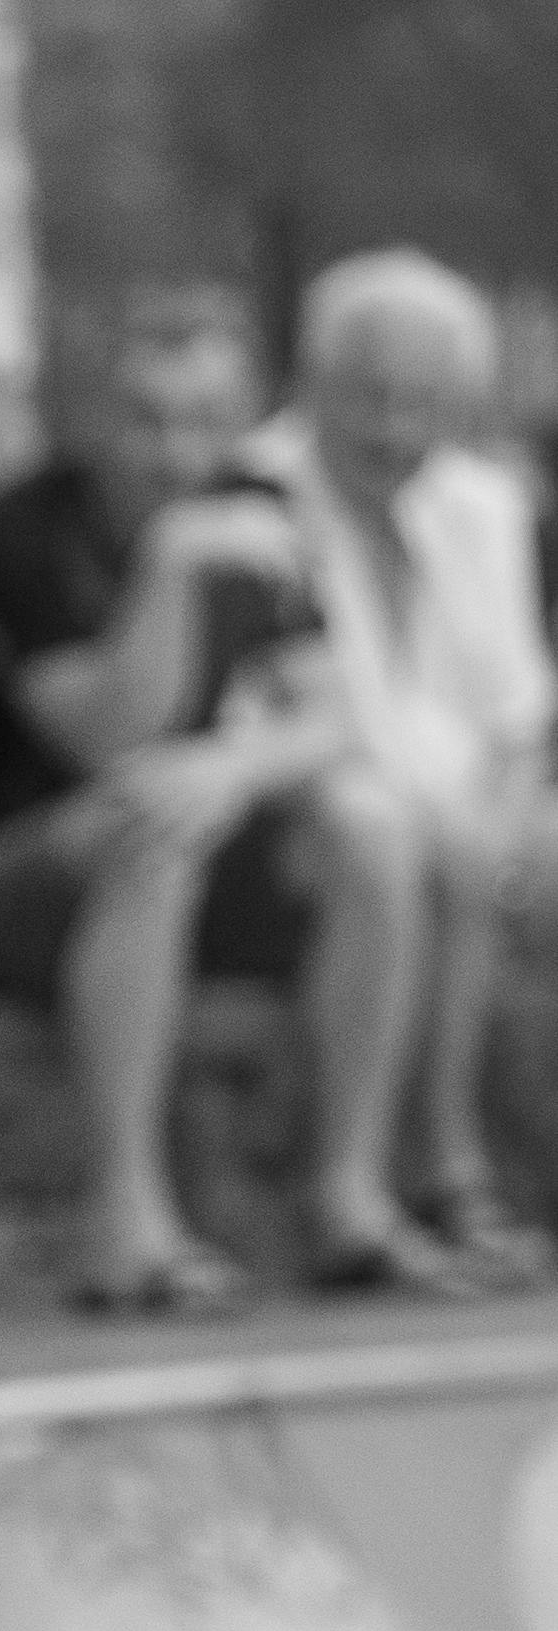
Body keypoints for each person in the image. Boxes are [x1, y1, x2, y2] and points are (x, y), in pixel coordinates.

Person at [0, 283, 402, 1311]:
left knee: (371, 827)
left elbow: (336, 719)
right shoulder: (17, 532)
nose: (176, 454)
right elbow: (108, 738)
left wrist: (234, 769)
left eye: (205, 422)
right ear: (89, 416)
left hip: (157, 868)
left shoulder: (257, 507)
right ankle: (125, 1225)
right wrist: (169, 566)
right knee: (144, 822)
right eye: (147, 421)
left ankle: (350, 1193)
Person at [243, 251, 558, 1288]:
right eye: (365, 397)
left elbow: (516, 713)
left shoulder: (484, 506)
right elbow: (287, 716)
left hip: (460, 804)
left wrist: (501, 816)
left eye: (418, 403)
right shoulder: (256, 496)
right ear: (311, 382)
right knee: (391, 832)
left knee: (469, 844)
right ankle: (397, 1174)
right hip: (310, 804)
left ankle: (455, 1162)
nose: (389, 428)